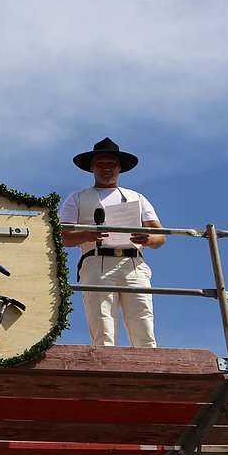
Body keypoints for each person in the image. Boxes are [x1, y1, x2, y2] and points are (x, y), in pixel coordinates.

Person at [60, 137, 165, 347]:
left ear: (119, 168)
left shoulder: (136, 197)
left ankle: (149, 373)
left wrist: (148, 239)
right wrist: (86, 235)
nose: (106, 169)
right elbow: (63, 236)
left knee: (143, 323)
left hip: (133, 264)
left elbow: (160, 235)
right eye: (101, 164)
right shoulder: (77, 198)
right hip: (96, 262)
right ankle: (104, 374)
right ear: (92, 167)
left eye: (111, 164)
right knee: (103, 325)